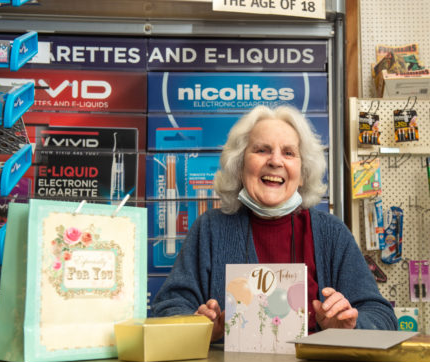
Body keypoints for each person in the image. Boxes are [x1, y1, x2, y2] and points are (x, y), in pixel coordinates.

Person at [152, 105, 398, 342]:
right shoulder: (209, 229)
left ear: (302, 173)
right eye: (262, 150)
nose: (275, 161)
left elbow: (383, 318)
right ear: (240, 165)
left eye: (289, 153)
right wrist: (200, 327)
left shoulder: (331, 233)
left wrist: (349, 325)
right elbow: (167, 310)